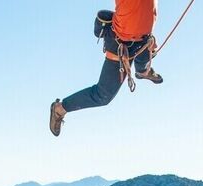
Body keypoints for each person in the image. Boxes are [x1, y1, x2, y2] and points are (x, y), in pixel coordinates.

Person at [50, 0, 164, 137]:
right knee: (103, 95)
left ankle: (143, 72)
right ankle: (60, 109)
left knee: (143, 65)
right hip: (121, 42)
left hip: (143, 39)